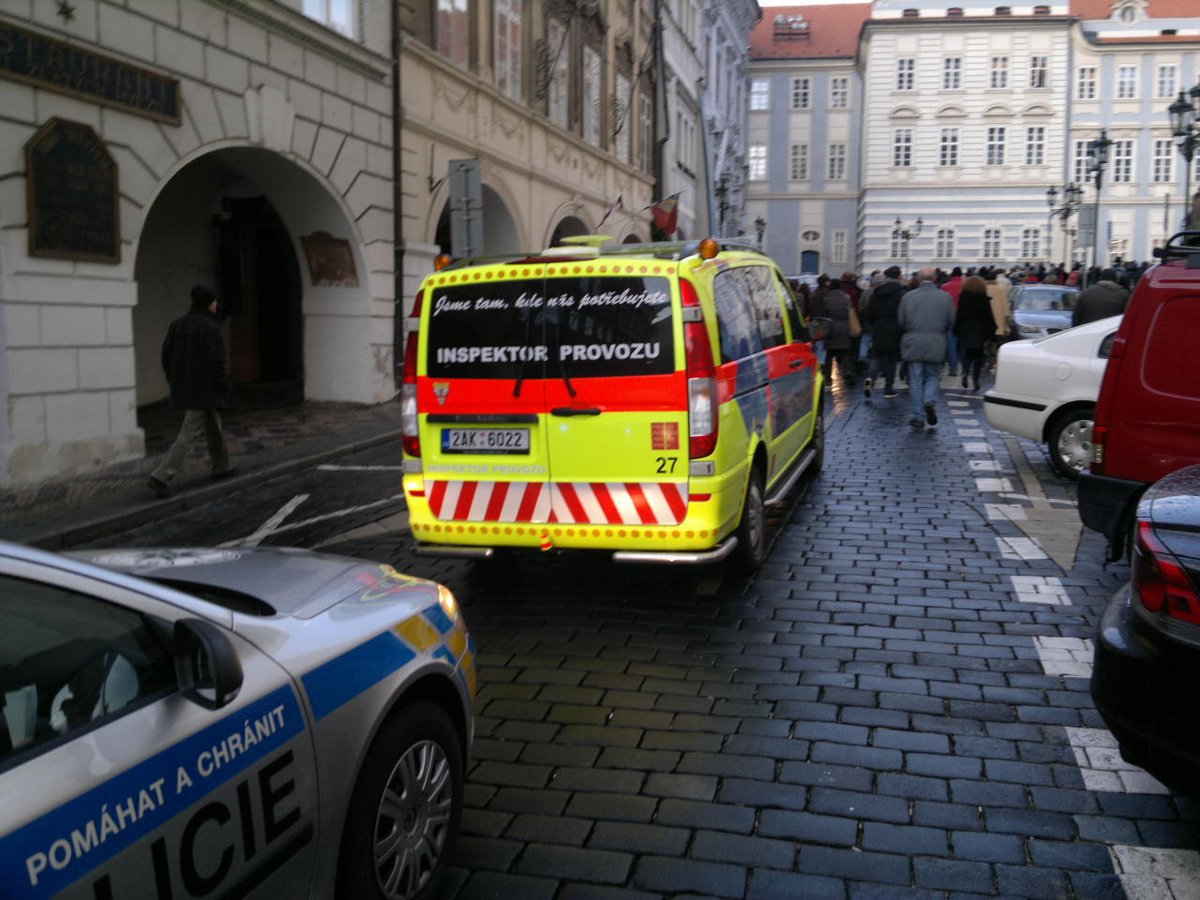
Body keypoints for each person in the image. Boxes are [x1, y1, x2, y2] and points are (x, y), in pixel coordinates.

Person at [148, 284, 236, 497]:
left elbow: (166, 356)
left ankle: (222, 466)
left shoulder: (177, 325)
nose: (216, 305)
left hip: (185, 386)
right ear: (208, 303)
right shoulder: (211, 327)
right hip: (204, 388)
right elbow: (215, 361)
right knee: (189, 431)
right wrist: (223, 386)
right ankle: (162, 474)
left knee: (213, 425)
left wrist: (174, 379)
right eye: (214, 301)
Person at [898, 267, 955, 429]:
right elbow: (951, 321)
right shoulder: (945, 297)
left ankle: (918, 416)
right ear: (935, 278)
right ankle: (929, 400)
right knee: (932, 375)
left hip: (913, 341)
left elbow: (901, 321)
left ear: (919, 279)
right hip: (936, 341)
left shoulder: (908, 297)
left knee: (915, 380)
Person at [863, 265, 906, 399]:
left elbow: (869, 313)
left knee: (877, 356)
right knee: (891, 360)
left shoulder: (876, 293)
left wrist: (874, 324)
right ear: (899, 276)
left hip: (879, 327)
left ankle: (870, 378)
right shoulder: (901, 293)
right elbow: (904, 313)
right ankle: (888, 388)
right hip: (895, 328)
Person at [954, 275, 996, 392]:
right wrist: (991, 333)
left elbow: (959, 315)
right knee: (978, 357)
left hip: (965, 329)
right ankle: (976, 380)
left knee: (967, 354)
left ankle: (965, 372)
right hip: (979, 330)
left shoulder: (963, 298)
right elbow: (988, 317)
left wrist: (956, 329)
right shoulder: (984, 299)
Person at [819, 278, 857, 386]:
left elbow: (824, 315)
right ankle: (847, 373)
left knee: (829, 355)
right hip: (844, 329)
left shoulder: (826, 299)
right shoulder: (846, 298)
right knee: (845, 353)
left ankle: (827, 378)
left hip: (830, 329)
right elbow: (850, 313)